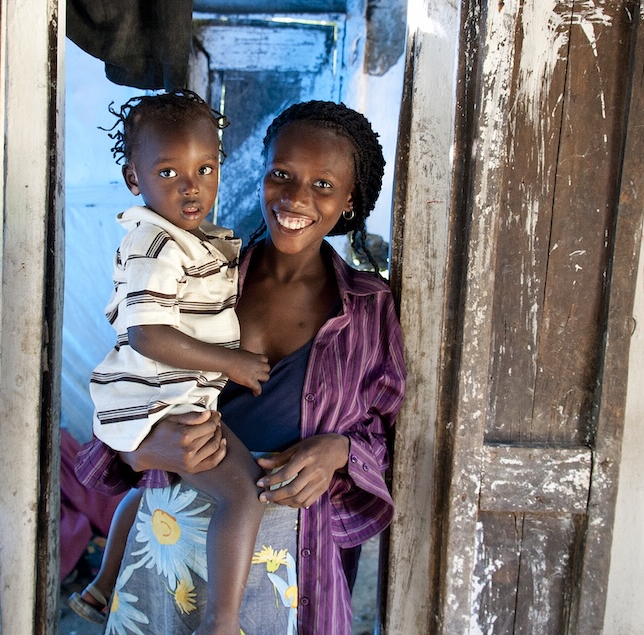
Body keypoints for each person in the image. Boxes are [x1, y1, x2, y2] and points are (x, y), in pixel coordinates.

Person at [77, 100, 406, 635]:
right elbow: (128, 383)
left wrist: (340, 452)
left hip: (297, 557)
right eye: (282, 174)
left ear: (350, 200)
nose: (297, 198)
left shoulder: (371, 309)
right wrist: (144, 448)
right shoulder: (202, 276)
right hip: (172, 543)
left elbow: (394, 438)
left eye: (323, 185)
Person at [67, 90, 273, 635]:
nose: (191, 186)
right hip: (161, 397)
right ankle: (222, 622)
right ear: (135, 179)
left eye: (205, 168)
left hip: (164, 395)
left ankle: (103, 583)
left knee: (157, 489)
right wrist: (230, 361)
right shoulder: (155, 243)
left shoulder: (193, 238)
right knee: (242, 491)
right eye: (168, 171)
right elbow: (149, 333)